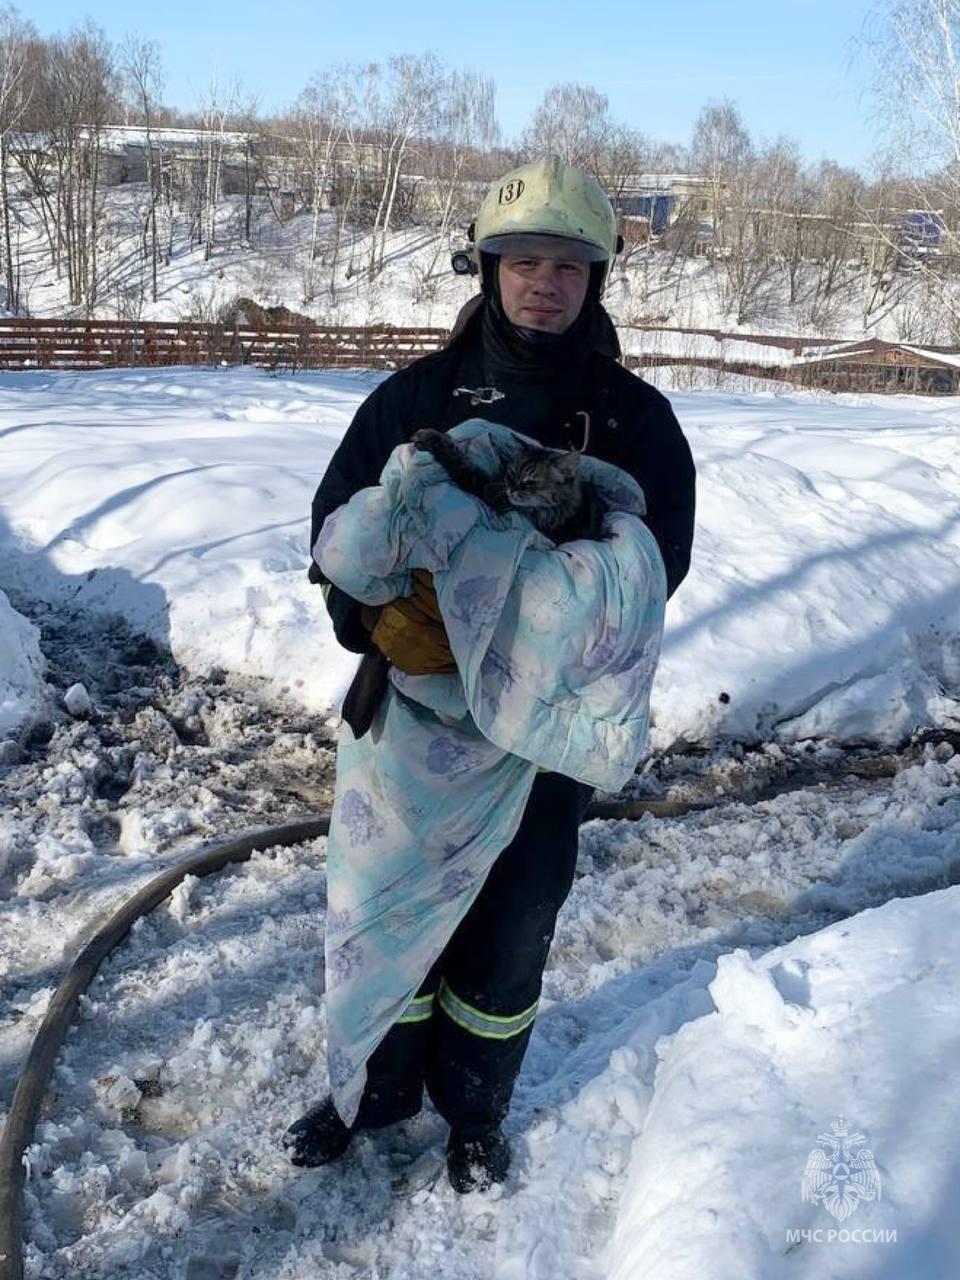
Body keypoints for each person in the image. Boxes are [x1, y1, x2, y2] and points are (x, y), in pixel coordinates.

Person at [288, 154, 696, 1192]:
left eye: (570, 264)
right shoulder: (414, 397)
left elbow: (659, 570)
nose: (545, 282)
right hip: (410, 725)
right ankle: (374, 1092)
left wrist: (555, 612)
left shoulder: (636, 421)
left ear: (596, 278)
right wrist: (377, 616)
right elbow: (336, 533)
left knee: (510, 930)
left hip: (542, 738)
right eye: (525, 261)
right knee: (387, 909)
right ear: (489, 267)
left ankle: (475, 1110)